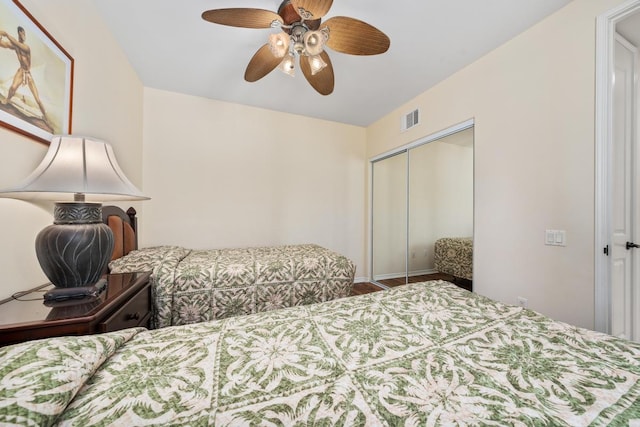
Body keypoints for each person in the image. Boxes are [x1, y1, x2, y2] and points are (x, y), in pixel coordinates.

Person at [0, 26, 47, 120]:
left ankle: (46, 118)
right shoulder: (16, 46)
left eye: (23, 33)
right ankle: (7, 100)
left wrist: (6, 34)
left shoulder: (26, 48)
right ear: (19, 34)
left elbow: (16, 43)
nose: (23, 35)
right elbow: (4, 45)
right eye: (21, 33)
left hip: (28, 74)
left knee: (37, 99)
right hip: (21, 71)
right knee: (13, 87)